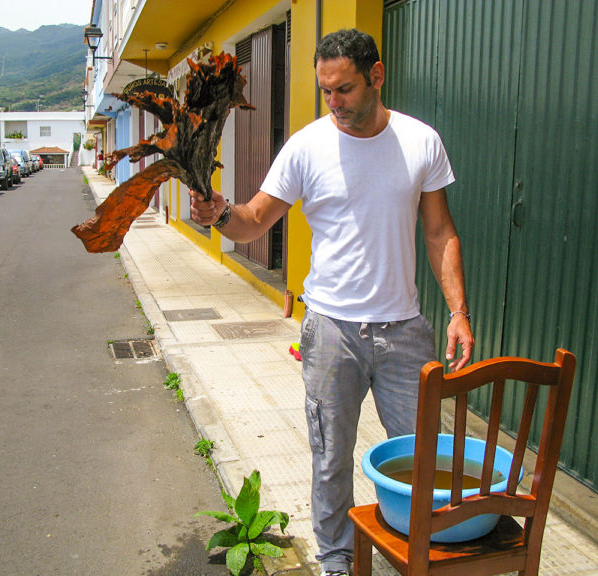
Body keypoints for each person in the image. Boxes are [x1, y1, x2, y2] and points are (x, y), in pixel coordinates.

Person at [190, 28, 474, 576]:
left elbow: (440, 232)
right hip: (331, 332)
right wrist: (221, 212)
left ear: (377, 76)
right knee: (329, 460)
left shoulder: (421, 141)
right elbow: (255, 220)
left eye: (343, 89)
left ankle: (418, 553)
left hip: (405, 331)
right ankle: (338, 561)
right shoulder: (306, 146)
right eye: (326, 91)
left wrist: (458, 311)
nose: (335, 103)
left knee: (423, 458)